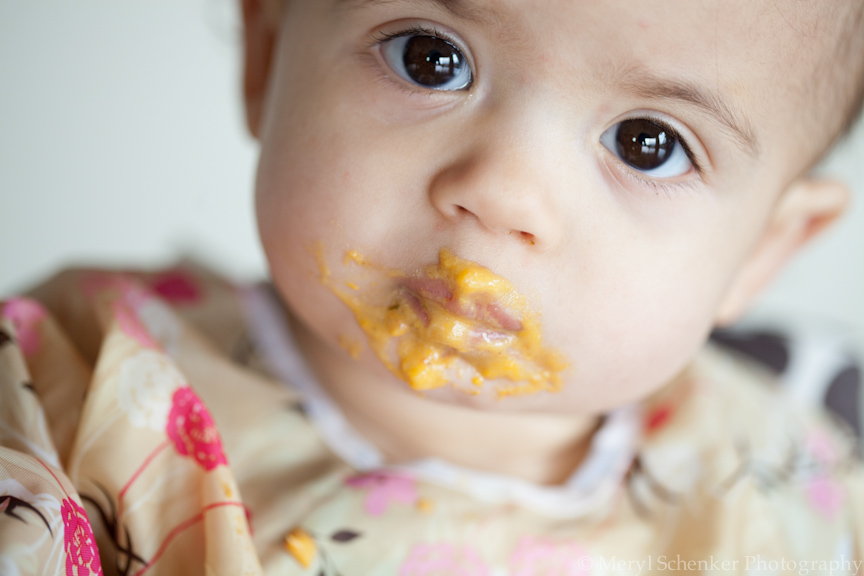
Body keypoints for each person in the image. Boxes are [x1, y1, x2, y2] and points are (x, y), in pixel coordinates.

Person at [2, 0, 864, 573]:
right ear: (266, 51)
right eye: (430, 58)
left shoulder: (799, 480)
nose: (501, 191)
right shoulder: (74, 383)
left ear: (764, 249)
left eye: (648, 143)